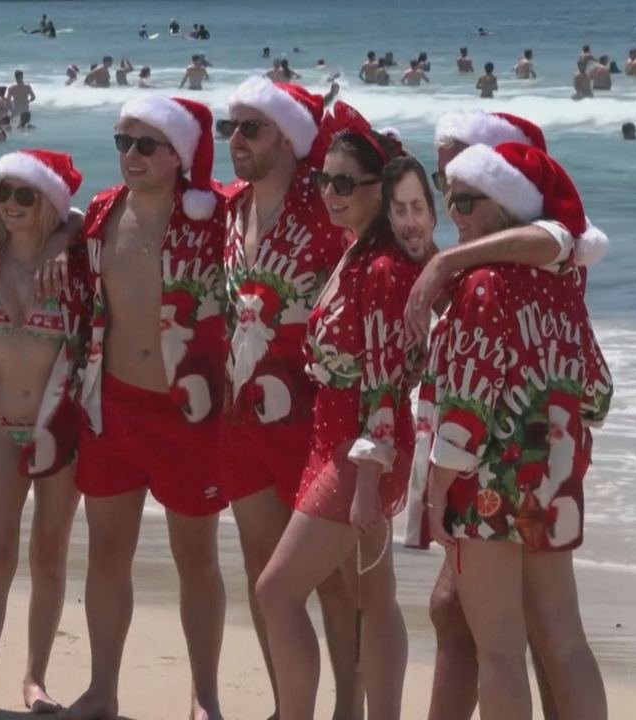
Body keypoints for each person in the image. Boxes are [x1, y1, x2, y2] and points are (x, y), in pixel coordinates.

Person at [403, 110, 609, 720]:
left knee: (499, 651)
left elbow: (465, 409)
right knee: (564, 639)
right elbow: (597, 391)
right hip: (556, 478)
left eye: (467, 201)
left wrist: (437, 492)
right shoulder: (564, 280)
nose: (454, 214)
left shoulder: (483, 282)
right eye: (450, 198)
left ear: (502, 205)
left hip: (486, 486)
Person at [61, 94, 227, 720]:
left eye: (145, 144)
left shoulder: (214, 217)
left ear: (178, 153)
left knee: (196, 558)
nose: (130, 155)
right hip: (113, 406)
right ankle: (103, 690)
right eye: (122, 142)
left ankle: (204, 695)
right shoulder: (104, 212)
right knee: (107, 553)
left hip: (189, 413)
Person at [256, 102, 416, 720]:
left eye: (346, 183)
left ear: (383, 188)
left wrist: (370, 483)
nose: (331, 193)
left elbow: (383, 385)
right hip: (337, 438)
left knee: (277, 592)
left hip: (357, 447)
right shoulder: (354, 252)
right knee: (375, 598)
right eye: (324, 180)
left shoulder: (379, 268)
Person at [217, 79, 360, 720]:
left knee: (331, 578)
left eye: (251, 127)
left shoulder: (325, 203)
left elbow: (383, 256)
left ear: (286, 136)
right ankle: (286, 706)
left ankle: (349, 709)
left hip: (315, 414)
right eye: (231, 128)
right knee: (260, 566)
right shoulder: (230, 208)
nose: (236, 140)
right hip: (241, 416)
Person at [0, 149, 85, 720]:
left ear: (49, 202)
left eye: (25, 195)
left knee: (49, 554)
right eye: (3, 193)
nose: (10, 205)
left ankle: (35, 679)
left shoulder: (74, 263)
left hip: (57, 430)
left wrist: (65, 235)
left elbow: (99, 215)